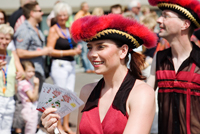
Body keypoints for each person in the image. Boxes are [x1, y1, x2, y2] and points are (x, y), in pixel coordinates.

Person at [41, 14, 157, 134]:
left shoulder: (141, 93)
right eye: (90, 47)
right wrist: (55, 131)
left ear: (123, 51)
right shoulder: (87, 91)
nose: (92, 54)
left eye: (101, 47)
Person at [147, 0, 200, 133]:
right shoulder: (159, 59)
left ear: (185, 24)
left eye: (165, 16)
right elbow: (144, 97)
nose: (159, 20)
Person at [46, 2, 81, 134]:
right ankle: (58, 125)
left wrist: (76, 49)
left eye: (64, 15)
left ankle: (66, 125)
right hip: (59, 65)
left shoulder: (69, 28)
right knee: (60, 97)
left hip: (71, 65)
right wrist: (69, 53)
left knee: (70, 96)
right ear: (56, 15)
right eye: (60, 15)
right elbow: (49, 51)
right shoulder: (53, 29)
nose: (62, 17)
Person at [14, 1, 51, 93]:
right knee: (33, 103)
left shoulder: (36, 27)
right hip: (30, 73)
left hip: (38, 70)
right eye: (39, 10)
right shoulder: (24, 29)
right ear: (32, 13)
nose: (42, 13)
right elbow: (20, 52)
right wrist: (42, 52)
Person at [0, 24, 21, 134]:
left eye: (7, 38)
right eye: (1, 38)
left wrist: (20, 74)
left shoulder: (11, 54)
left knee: (6, 130)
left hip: (9, 97)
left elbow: (22, 73)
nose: (4, 41)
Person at [18, 60, 39, 134]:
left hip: (30, 110)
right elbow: (33, 98)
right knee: (30, 131)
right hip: (30, 111)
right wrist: (36, 86)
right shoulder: (24, 84)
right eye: (29, 71)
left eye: (33, 71)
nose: (31, 74)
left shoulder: (26, 82)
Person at [74, 2, 94, 73]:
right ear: (82, 7)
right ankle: (87, 68)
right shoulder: (78, 15)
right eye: (86, 6)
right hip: (82, 37)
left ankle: (91, 68)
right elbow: (77, 26)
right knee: (84, 53)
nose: (88, 7)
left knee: (90, 51)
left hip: (88, 36)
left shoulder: (88, 14)